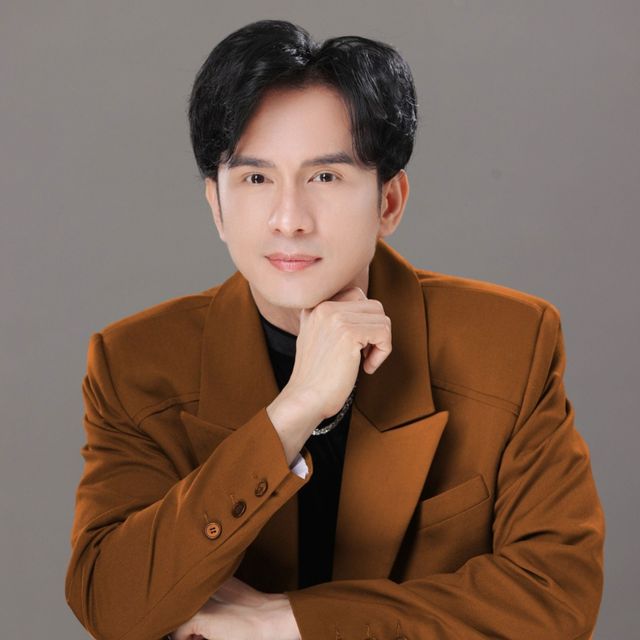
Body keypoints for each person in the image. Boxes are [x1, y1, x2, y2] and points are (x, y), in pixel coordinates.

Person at [65, 19, 605, 640]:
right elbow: (113, 606)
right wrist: (293, 411)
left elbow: (557, 601)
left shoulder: (510, 343)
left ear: (388, 202)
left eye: (325, 176)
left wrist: (288, 623)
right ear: (217, 206)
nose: (289, 219)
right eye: (256, 178)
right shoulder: (134, 363)